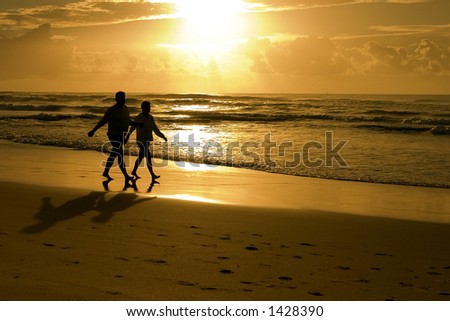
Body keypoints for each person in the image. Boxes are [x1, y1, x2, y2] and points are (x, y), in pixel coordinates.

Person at [87, 91, 135, 189]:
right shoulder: (112, 110)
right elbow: (103, 121)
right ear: (116, 99)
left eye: (124, 98)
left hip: (121, 135)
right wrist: (93, 130)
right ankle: (126, 176)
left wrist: (138, 125)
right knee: (120, 154)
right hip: (113, 135)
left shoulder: (126, 109)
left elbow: (128, 121)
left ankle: (105, 172)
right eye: (121, 98)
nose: (123, 100)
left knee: (114, 154)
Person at [125, 100, 167, 183]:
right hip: (141, 140)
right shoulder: (139, 117)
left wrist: (162, 136)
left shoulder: (150, 117)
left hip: (147, 140)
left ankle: (134, 171)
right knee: (148, 157)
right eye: (147, 107)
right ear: (142, 108)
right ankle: (152, 175)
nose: (149, 108)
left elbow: (155, 129)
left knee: (140, 157)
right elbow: (132, 128)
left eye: (149, 107)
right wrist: (127, 137)